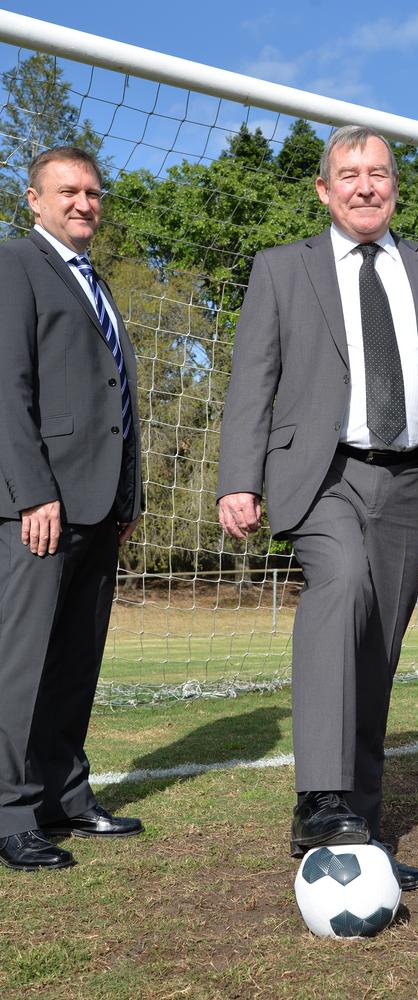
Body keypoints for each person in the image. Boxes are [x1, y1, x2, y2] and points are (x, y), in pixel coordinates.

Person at [217, 125, 418, 889]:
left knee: (377, 652)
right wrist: (237, 478)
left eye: (378, 173)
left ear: (395, 185)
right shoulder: (281, 269)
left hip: (410, 481)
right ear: (323, 189)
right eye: (349, 174)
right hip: (322, 474)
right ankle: (322, 800)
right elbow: (252, 381)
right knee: (339, 588)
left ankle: (357, 834)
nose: (365, 186)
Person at [0, 146, 143, 871]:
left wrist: (129, 493)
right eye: (68, 191)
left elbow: (115, 398)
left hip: (99, 504)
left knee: (75, 663)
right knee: (19, 666)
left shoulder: (96, 282)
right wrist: (32, 491)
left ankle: (65, 796)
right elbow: (6, 388)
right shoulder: (14, 265)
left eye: (92, 191)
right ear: (33, 199)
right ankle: (11, 813)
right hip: (40, 506)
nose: (84, 202)